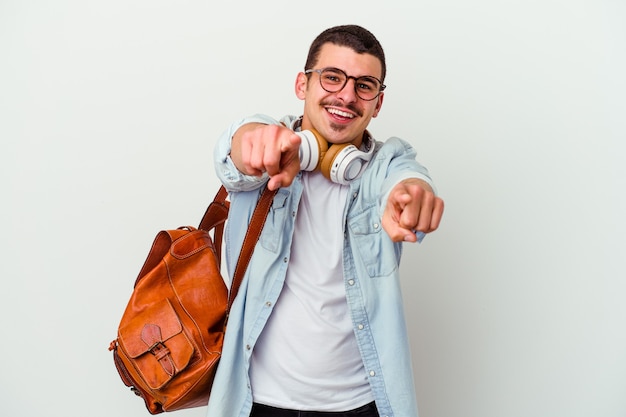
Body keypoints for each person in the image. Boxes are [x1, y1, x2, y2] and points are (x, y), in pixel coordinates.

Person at [208, 25, 444, 417]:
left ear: (378, 103)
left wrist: (414, 194)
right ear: (303, 84)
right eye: (333, 77)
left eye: (364, 85)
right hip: (257, 401)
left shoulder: (385, 166)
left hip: (359, 404)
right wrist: (251, 142)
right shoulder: (271, 147)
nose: (347, 95)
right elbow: (236, 152)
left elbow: (408, 177)